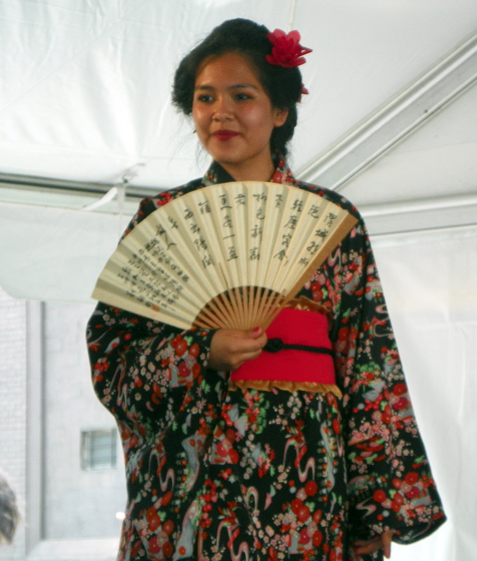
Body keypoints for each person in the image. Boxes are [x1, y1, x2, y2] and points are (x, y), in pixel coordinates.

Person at [87, 18, 446, 561]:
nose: (220, 112)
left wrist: (372, 505)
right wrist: (199, 352)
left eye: (241, 96)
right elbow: (111, 359)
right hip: (192, 478)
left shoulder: (333, 224)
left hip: (302, 480)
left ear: (279, 112)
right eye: (205, 98)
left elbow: (368, 365)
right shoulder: (162, 218)